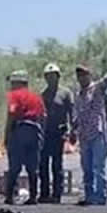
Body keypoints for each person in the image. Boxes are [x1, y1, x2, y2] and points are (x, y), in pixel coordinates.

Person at [69, 65, 107, 206]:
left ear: (89, 75)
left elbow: (105, 82)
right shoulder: (78, 95)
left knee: (99, 166)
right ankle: (89, 195)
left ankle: (100, 196)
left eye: (84, 75)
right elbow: (77, 115)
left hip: (97, 132)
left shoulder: (96, 89)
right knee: (87, 167)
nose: (82, 78)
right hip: (84, 135)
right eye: (79, 76)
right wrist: (73, 130)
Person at [3, 70, 46, 205]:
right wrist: (41, 133)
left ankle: (10, 196)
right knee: (32, 166)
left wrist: (7, 134)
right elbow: (43, 116)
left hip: (20, 130)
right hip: (34, 130)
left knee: (15, 165)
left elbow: (12, 113)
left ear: (17, 82)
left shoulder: (14, 95)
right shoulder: (36, 97)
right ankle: (33, 196)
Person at [38, 63, 74, 204]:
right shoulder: (43, 95)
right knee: (43, 164)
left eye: (53, 76)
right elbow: (40, 115)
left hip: (59, 133)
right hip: (45, 133)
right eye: (48, 77)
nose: (51, 79)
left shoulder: (65, 93)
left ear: (58, 77)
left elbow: (71, 112)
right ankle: (44, 193)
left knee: (57, 165)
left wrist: (71, 130)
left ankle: (57, 194)